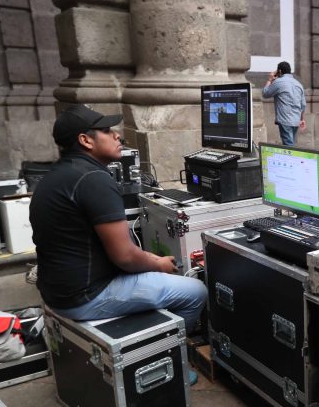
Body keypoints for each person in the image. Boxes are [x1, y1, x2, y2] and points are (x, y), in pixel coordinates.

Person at [30, 105, 208, 341]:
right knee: (195, 291)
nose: (118, 136)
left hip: (57, 290)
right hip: (85, 297)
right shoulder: (94, 180)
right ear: (85, 140)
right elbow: (125, 257)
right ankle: (164, 358)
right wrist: (158, 264)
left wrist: (153, 259)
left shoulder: (56, 176)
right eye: (106, 131)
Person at [262, 61, 307, 146]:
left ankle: (293, 159)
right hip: (296, 120)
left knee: (289, 146)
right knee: (291, 144)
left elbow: (265, 93)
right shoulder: (298, 84)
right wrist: (301, 119)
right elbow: (303, 105)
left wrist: (270, 79)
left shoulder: (278, 82)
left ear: (279, 71)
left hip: (285, 120)